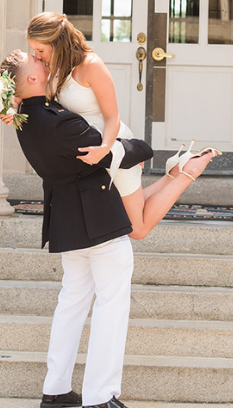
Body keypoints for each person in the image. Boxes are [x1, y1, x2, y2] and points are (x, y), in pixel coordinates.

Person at [0, 49, 217, 408]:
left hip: (68, 217)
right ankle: (100, 397)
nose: (46, 62)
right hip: (95, 216)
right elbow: (125, 152)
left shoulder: (24, 119)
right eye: (39, 63)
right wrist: (143, 148)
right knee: (111, 304)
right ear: (31, 80)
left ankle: (56, 388)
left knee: (73, 301)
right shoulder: (58, 123)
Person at [24, 12, 207, 239]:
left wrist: (105, 148)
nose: (37, 56)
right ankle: (174, 172)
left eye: (40, 50)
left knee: (137, 229)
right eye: (34, 50)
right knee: (128, 212)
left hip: (111, 145)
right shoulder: (53, 67)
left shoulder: (91, 65)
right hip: (89, 149)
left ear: (58, 43)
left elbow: (113, 117)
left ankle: (186, 173)